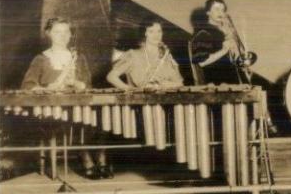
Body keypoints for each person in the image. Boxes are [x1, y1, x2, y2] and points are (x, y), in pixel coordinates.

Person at [21, 17, 109, 179]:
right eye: (57, 32)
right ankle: (86, 158)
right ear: (49, 34)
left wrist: (77, 83)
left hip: (78, 104)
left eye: (66, 32)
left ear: (70, 35)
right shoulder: (41, 59)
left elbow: (87, 85)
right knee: (75, 120)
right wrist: (48, 88)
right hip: (52, 108)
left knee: (100, 115)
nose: (62, 36)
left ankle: (102, 158)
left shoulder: (78, 58)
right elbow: (28, 86)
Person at [106, 18, 184, 90]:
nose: (156, 35)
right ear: (145, 33)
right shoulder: (133, 55)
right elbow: (111, 77)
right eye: (151, 31)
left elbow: (179, 83)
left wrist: (164, 85)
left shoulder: (167, 58)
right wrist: (129, 89)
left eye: (159, 31)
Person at [189, 0, 248, 85]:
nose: (221, 13)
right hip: (217, 86)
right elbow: (202, 62)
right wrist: (224, 50)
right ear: (208, 12)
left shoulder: (221, 33)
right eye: (217, 9)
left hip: (230, 83)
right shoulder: (203, 34)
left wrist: (240, 64)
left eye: (222, 10)